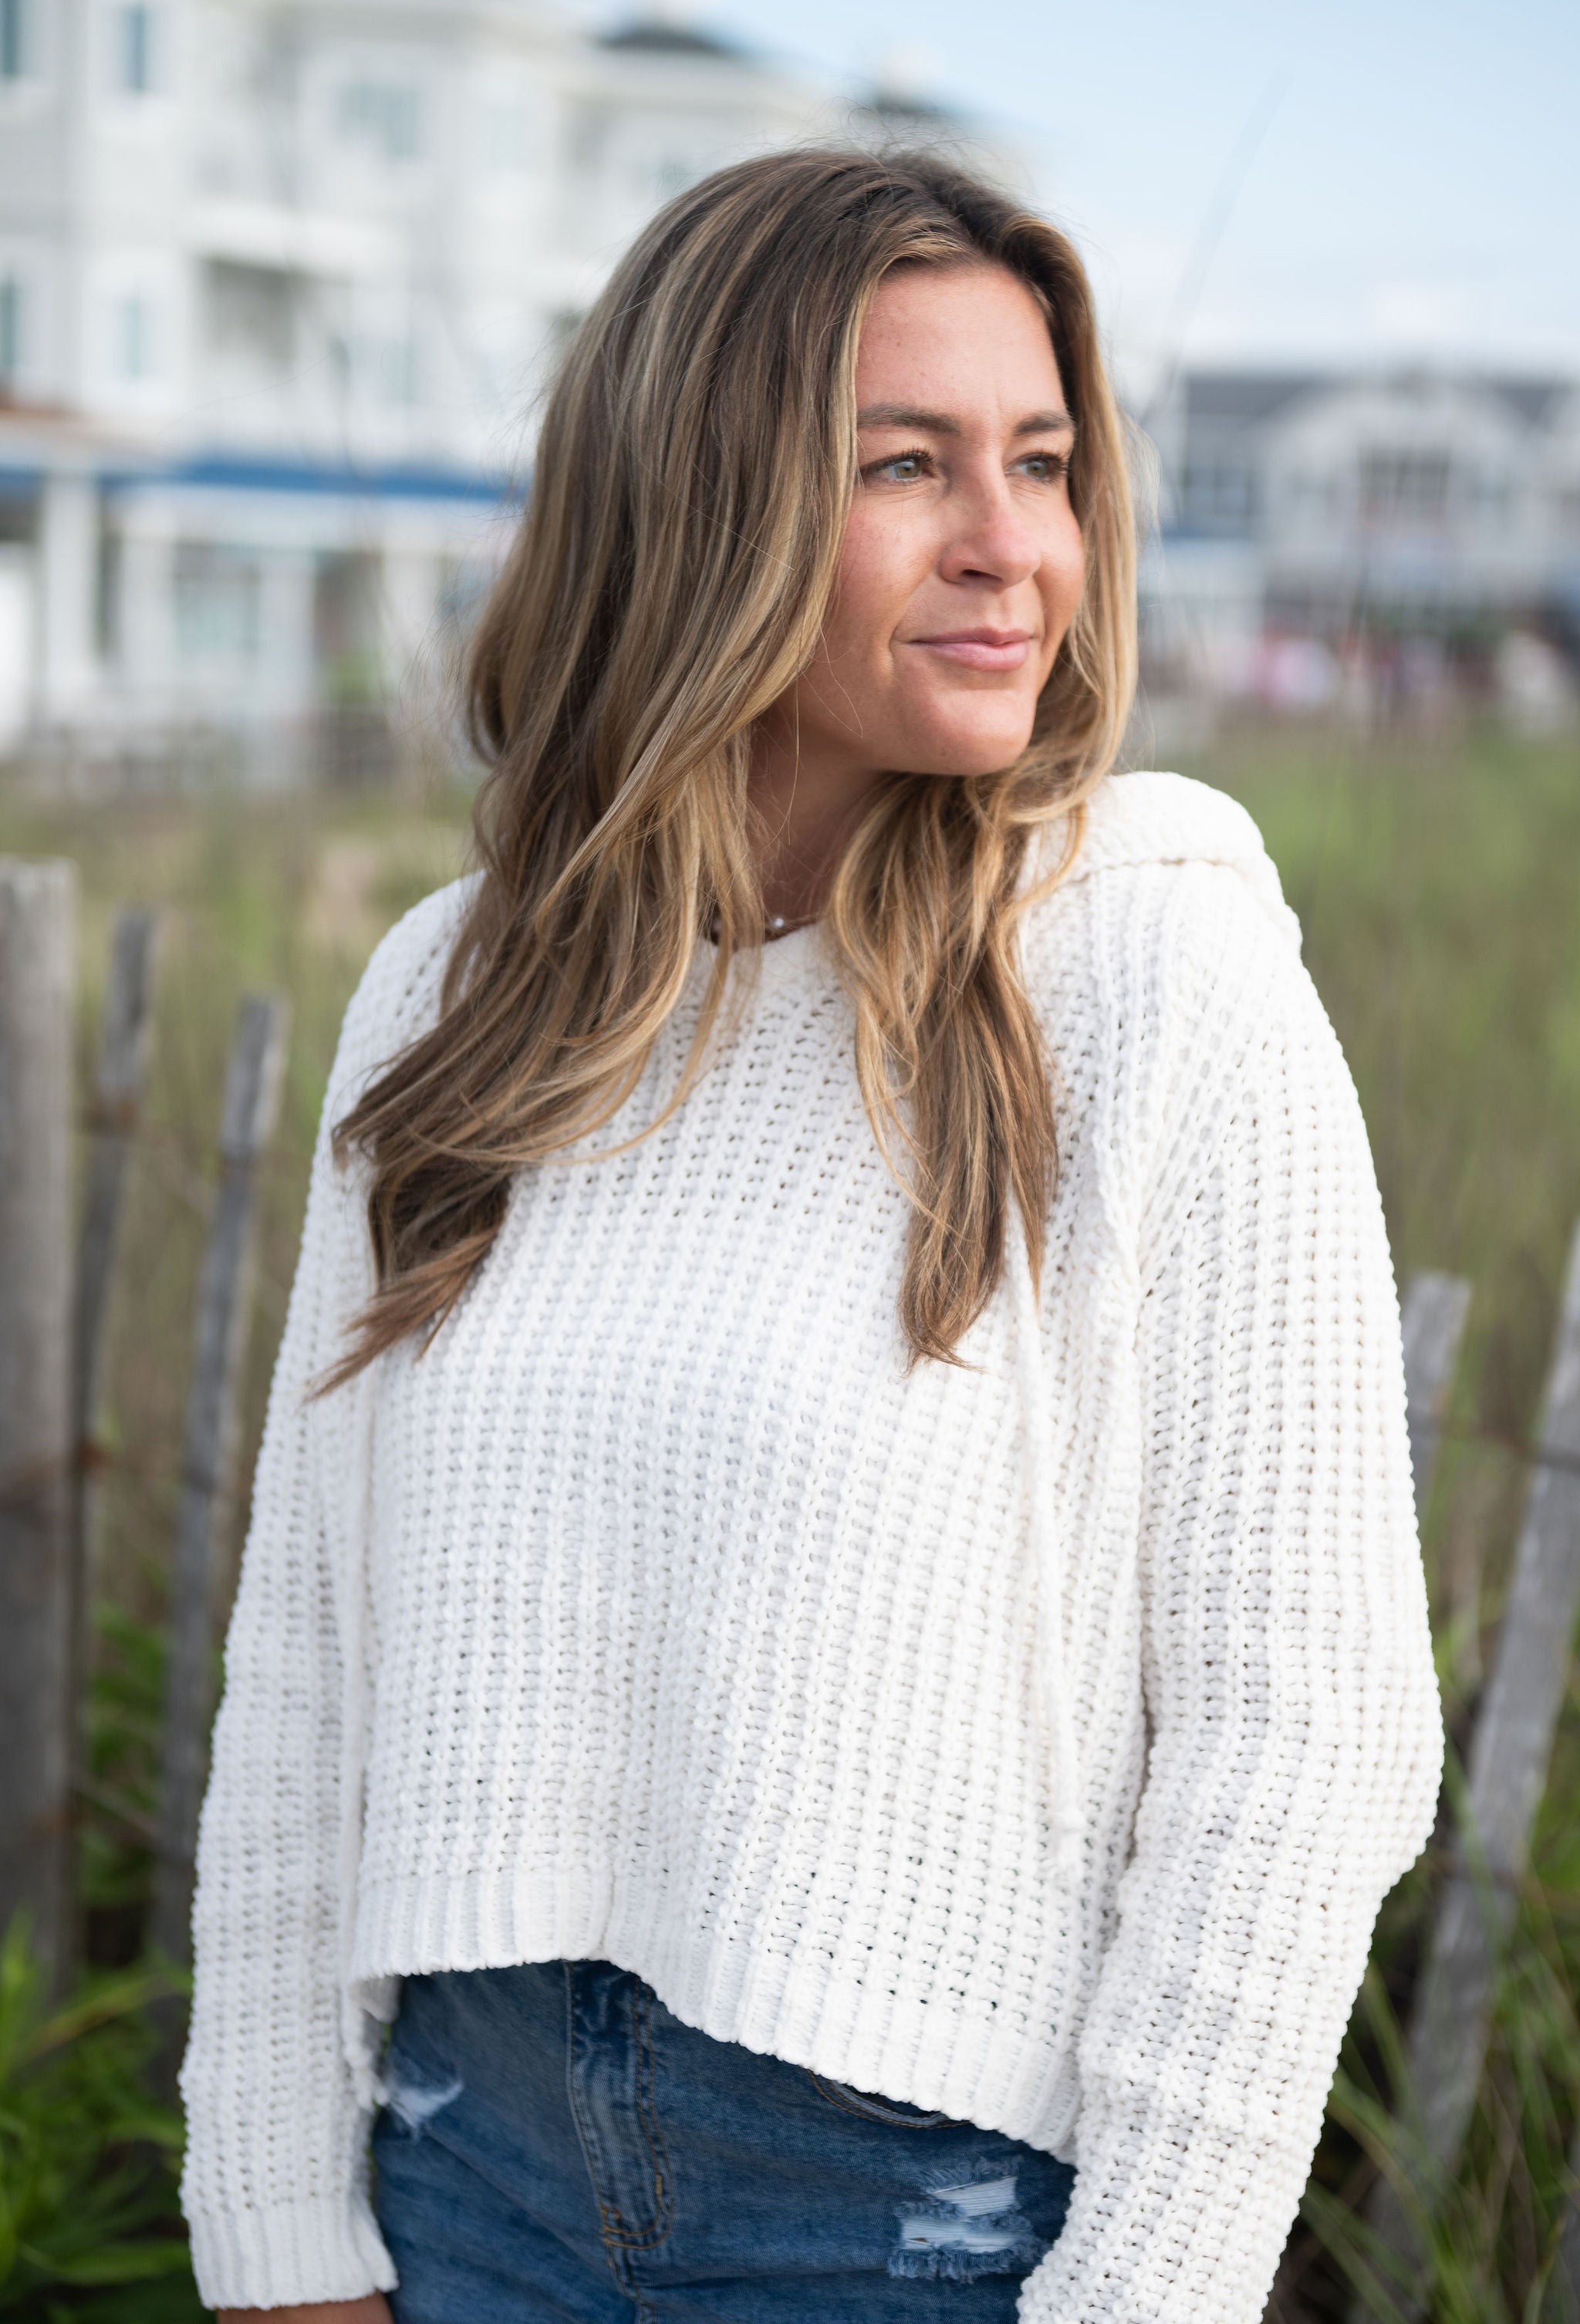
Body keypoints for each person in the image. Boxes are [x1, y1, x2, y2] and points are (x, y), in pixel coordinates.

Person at [179, 150, 1441, 2324]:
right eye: (906, 464)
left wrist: (1147, 2295)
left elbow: (1301, 1735)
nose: (1012, 546)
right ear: (701, 507)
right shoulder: (455, 992)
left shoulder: (1161, 981)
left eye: (1042, 462)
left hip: (913, 2226)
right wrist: (272, 2207)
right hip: (464, 2175)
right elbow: (308, 1647)